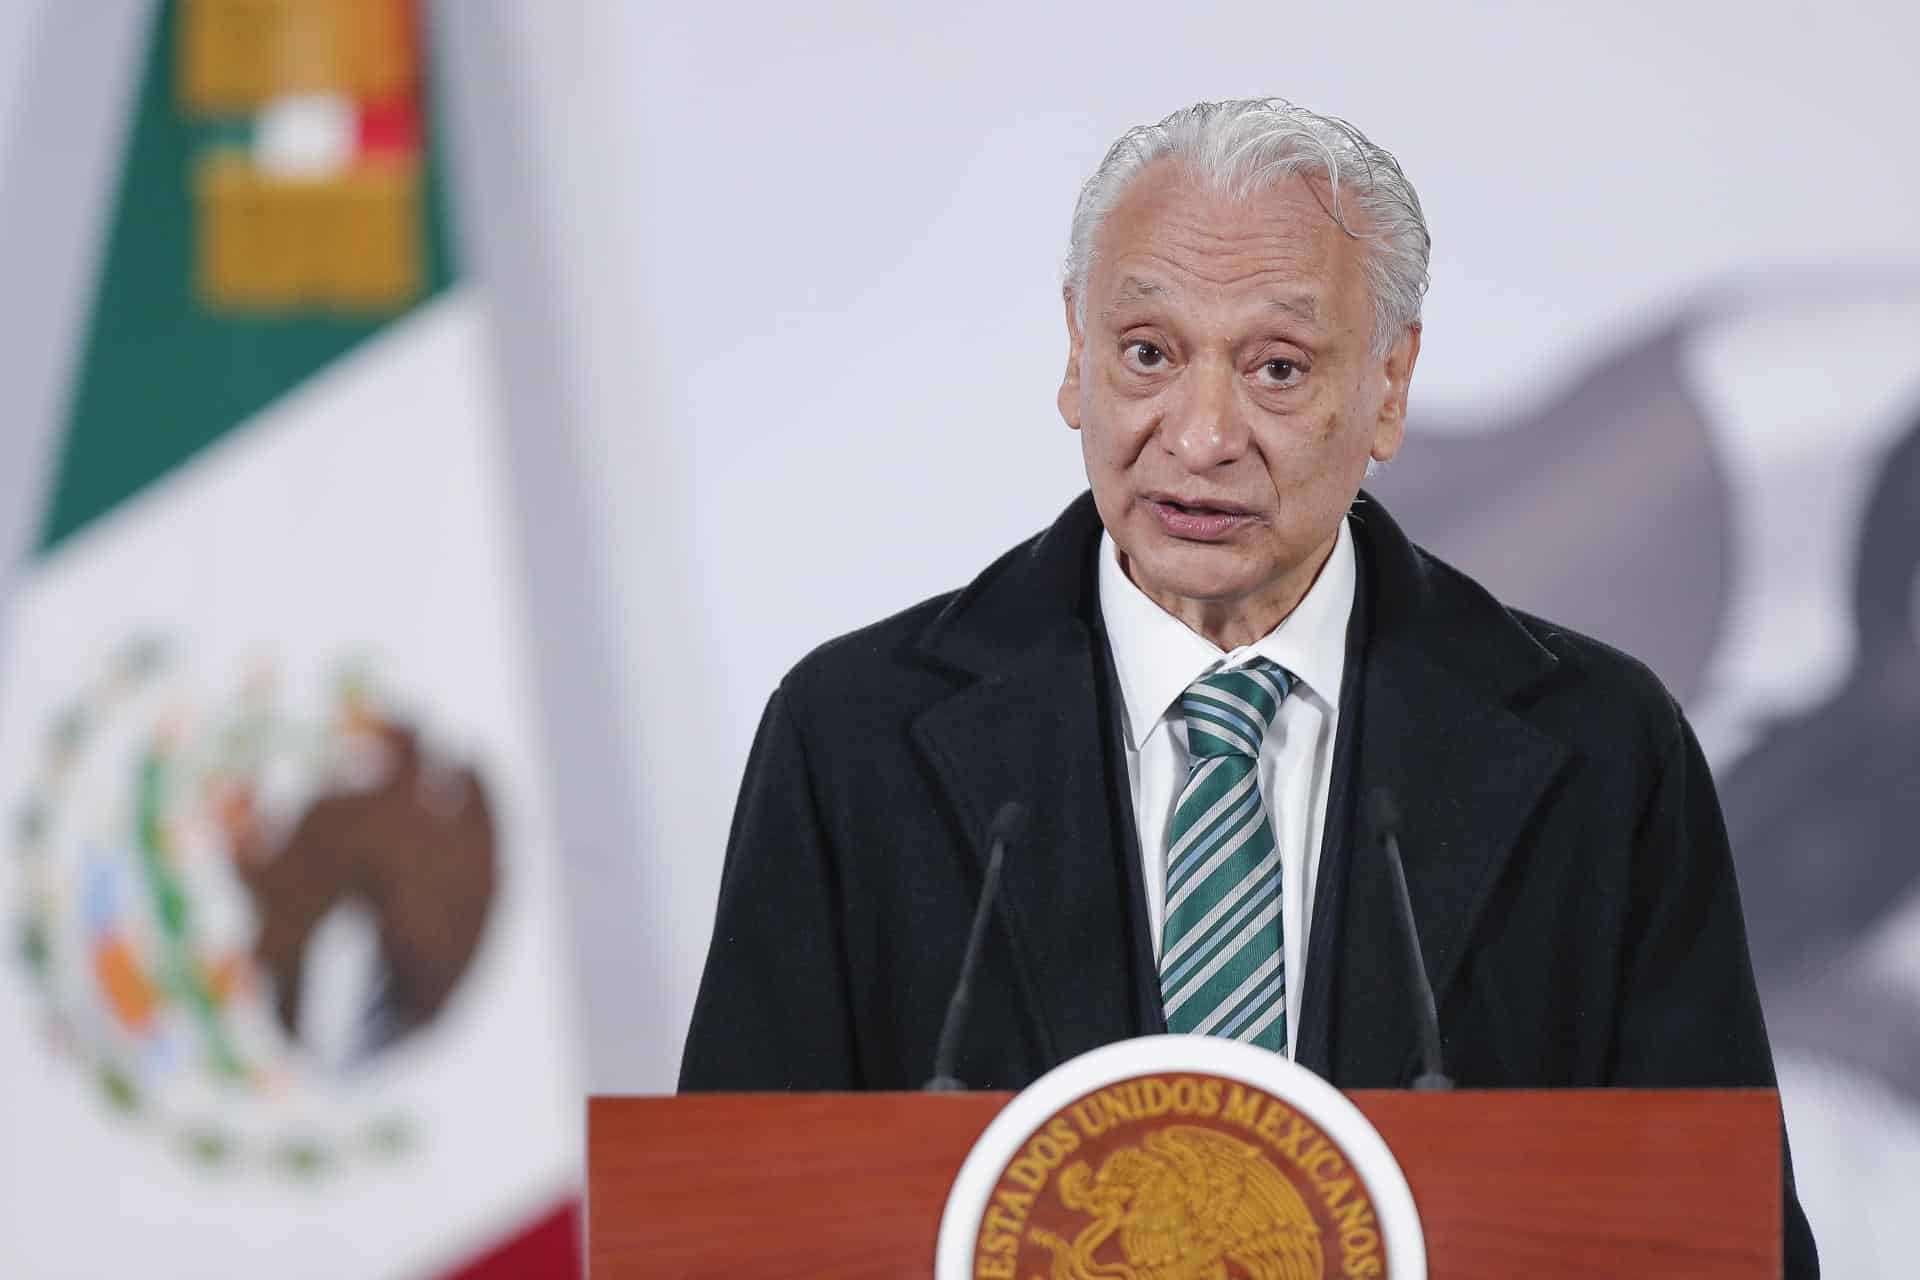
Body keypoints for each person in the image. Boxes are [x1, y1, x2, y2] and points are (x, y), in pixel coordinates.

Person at [678, 98, 1816, 1273]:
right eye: (1150, 353)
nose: (1202, 434)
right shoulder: (855, 736)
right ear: (1076, 354)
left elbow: (1727, 1246)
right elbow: (734, 1239)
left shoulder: (1601, 749)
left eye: (1277, 367)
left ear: (1389, 384)